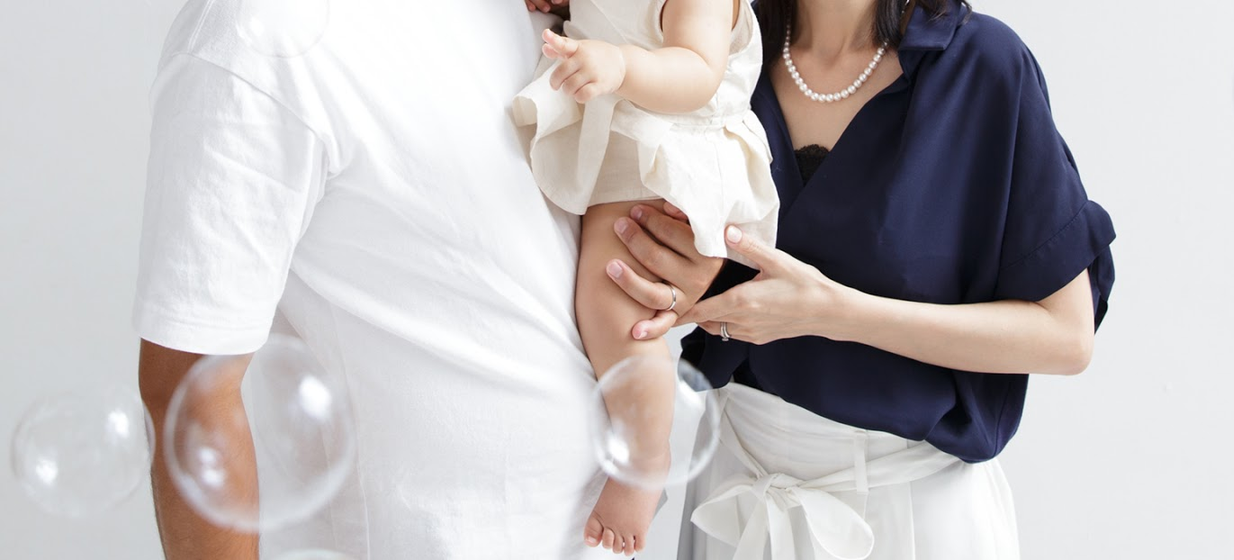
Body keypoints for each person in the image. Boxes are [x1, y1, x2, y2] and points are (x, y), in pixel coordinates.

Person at [132, 1, 717, 558]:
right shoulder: (261, 33)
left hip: (590, 539)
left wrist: (683, 268)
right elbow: (190, 390)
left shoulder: (554, 13)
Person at [613, 0, 1118, 558]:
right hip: (735, 491)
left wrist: (834, 314)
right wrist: (685, 292)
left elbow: (1065, 337)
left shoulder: (982, 66)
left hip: (907, 512)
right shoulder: (712, 52)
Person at [511, 0, 779, 554]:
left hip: (669, 148)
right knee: (604, 299)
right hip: (628, 129)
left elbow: (698, 71)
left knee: (614, 310)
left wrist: (621, 64)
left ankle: (645, 456)